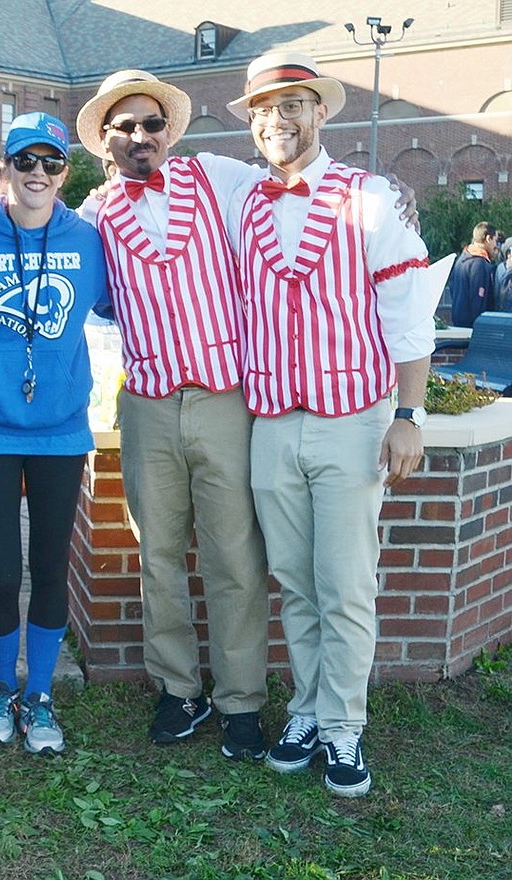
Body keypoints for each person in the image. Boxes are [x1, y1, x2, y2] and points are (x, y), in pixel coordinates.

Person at [226, 51, 434, 798]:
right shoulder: (245, 203)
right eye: (263, 109)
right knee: (294, 580)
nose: (277, 120)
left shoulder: (370, 197)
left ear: (320, 113)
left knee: (345, 583)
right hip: (274, 420)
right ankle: (308, 709)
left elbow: (409, 316)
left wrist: (408, 415)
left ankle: (344, 726)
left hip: (351, 418)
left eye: (293, 105)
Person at [75, 71, 272, 759]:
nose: (140, 137)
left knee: (233, 556)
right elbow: (90, 306)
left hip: (225, 400)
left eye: (151, 125)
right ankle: (179, 690)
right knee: (157, 554)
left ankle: (241, 700)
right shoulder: (94, 216)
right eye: (124, 127)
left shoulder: (216, 177)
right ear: (105, 140)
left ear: (170, 132)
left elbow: (287, 191)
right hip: (149, 404)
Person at [0, 112, 108, 754]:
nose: (37, 174)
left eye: (50, 163)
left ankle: (39, 693)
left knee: (49, 566)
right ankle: (1, 685)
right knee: (0, 571)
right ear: (5, 168)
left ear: (65, 173)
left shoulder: (89, 240)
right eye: (26, 161)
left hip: (61, 430)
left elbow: (122, 303)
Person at [449, 221, 498, 328]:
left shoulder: (461, 259)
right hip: (473, 326)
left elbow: (452, 288)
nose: (496, 246)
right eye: (495, 240)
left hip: (458, 320)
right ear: (488, 238)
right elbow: (478, 299)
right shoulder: (479, 263)